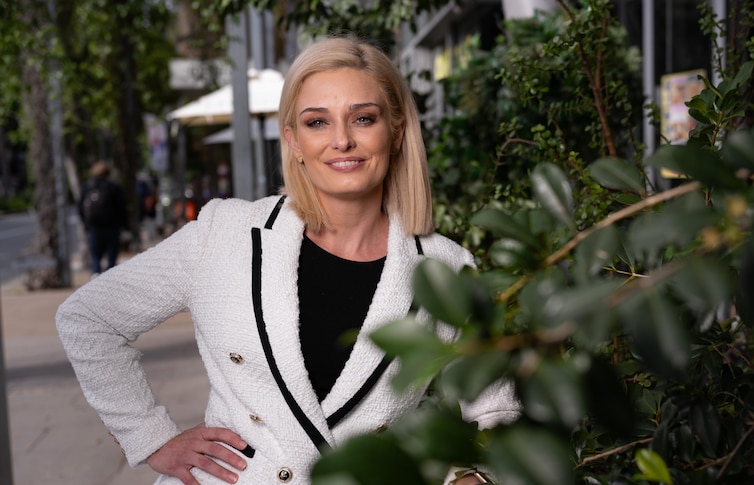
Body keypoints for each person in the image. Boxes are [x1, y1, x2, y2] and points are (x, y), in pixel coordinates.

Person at [56, 36, 520, 485]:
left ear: (396, 132)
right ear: (293, 140)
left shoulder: (444, 268)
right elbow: (88, 318)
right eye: (317, 122)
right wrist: (151, 437)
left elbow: (499, 410)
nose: (341, 140)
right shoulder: (225, 235)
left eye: (363, 118)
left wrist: (475, 476)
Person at [78, 160, 128, 276]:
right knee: (111, 259)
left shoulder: (87, 188)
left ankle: (95, 277)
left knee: (95, 257)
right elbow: (121, 207)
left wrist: (87, 225)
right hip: (112, 228)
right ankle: (109, 283)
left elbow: (80, 208)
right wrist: (123, 225)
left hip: (94, 228)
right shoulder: (113, 187)